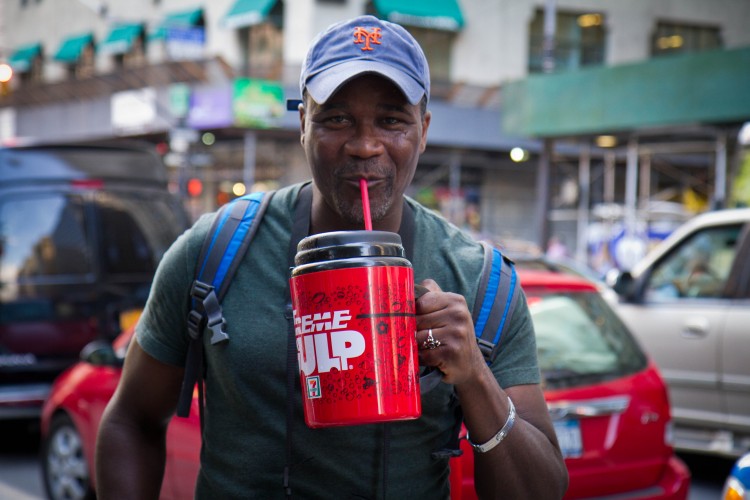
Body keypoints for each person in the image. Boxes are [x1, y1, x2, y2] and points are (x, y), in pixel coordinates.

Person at [95, 15, 568, 499]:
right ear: (302, 123)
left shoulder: (482, 283)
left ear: (423, 130)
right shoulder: (214, 251)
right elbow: (130, 421)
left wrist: (474, 376)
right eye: (336, 119)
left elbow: (541, 490)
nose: (365, 146)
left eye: (392, 120)